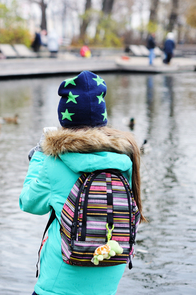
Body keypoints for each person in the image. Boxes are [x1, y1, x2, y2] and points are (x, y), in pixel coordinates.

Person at [19, 70, 145, 295]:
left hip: (61, 280)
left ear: (65, 119)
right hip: (109, 273)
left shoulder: (55, 162)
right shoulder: (125, 159)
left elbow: (29, 202)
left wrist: (39, 156)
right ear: (101, 118)